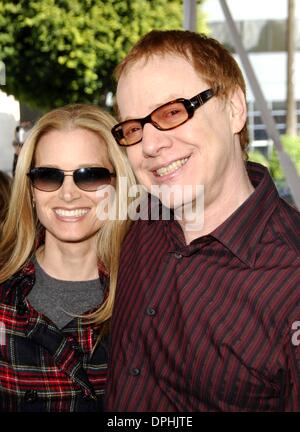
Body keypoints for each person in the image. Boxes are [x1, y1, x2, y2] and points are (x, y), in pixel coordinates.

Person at [105, 30, 300, 412]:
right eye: (133, 128)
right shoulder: (133, 225)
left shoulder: (291, 278)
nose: (149, 145)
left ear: (234, 109)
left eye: (172, 112)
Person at [0, 104, 135, 411]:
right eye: (48, 176)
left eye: (90, 176)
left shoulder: (148, 295)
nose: (69, 193)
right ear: (31, 190)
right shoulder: (5, 292)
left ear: (117, 185)